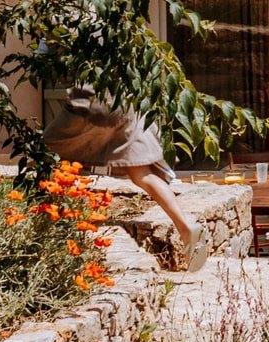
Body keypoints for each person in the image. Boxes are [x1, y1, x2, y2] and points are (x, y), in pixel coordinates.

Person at [43, 84, 196, 254]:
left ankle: (50, 216)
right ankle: (185, 227)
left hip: (98, 101)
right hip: (129, 103)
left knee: (47, 147)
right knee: (142, 174)